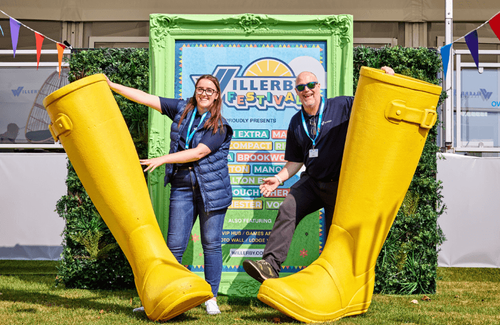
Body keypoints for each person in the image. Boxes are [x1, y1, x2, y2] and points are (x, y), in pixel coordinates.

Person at [243, 67, 394, 283]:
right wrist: (278, 178)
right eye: (301, 87)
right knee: (288, 208)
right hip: (312, 183)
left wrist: (384, 80)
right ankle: (270, 265)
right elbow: (296, 160)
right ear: (297, 92)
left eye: (311, 85)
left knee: (336, 236)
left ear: (318, 87)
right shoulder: (296, 121)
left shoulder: (341, 105)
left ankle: (338, 282)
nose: (307, 90)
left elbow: (369, 101)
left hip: (340, 185)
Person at [106, 74, 233, 315]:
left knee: (211, 245)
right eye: (200, 89)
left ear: (216, 95)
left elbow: (198, 153)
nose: (204, 93)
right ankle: (162, 295)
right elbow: (145, 98)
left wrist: (163, 159)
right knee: (174, 246)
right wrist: (112, 86)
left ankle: (211, 298)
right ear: (195, 91)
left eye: (209, 90)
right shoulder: (182, 109)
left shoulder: (220, 126)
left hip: (212, 190)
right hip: (183, 186)